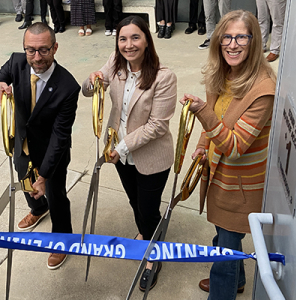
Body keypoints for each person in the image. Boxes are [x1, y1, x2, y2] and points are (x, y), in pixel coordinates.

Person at [180, 10, 276, 300]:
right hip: (220, 179)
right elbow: (215, 121)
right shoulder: (222, 73)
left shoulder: (263, 90)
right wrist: (200, 144)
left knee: (225, 250)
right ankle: (238, 280)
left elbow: (234, 147)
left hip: (240, 186)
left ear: (254, 41)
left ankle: (225, 287)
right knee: (224, 235)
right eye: (227, 37)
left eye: (241, 37)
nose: (233, 45)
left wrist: (202, 113)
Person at [82, 15, 177, 291]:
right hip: (120, 155)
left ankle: (152, 256)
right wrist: (92, 81)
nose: (128, 44)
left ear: (147, 40)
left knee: (147, 208)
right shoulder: (114, 63)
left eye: (135, 37)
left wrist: (120, 147)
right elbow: (89, 91)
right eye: (123, 39)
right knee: (135, 202)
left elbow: (157, 126)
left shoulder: (163, 77)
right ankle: (150, 232)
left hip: (150, 157)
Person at [0, 22, 80, 270]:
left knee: (56, 195)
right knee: (26, 184)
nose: (36, 57)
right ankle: (37, 209)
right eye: (30, 50)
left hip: (51, 152)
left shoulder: (68, 86)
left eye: (43, 50)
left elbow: (60, 136)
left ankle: (62, 238)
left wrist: (44, 175)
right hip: (21, 146)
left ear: (55, 48)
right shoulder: (16, 62)